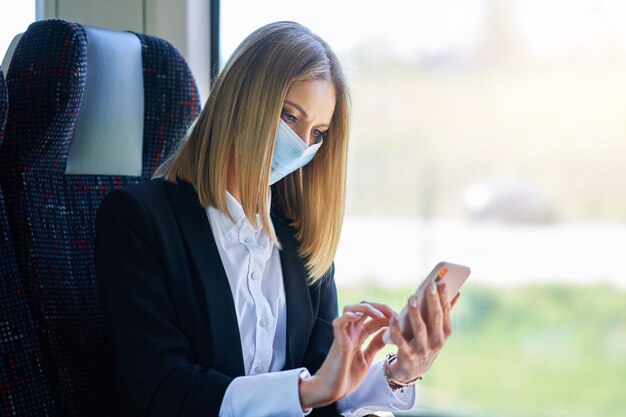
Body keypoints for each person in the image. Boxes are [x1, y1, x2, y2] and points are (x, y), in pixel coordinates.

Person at [95, 21, 456, 417]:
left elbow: (323, 386)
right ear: (242, 103)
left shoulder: (302, 235)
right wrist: (303, 392)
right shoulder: (139, 219)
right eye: (289, 117)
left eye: (317, 132)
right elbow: (164, 390)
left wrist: (396, 374)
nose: (302, 145)